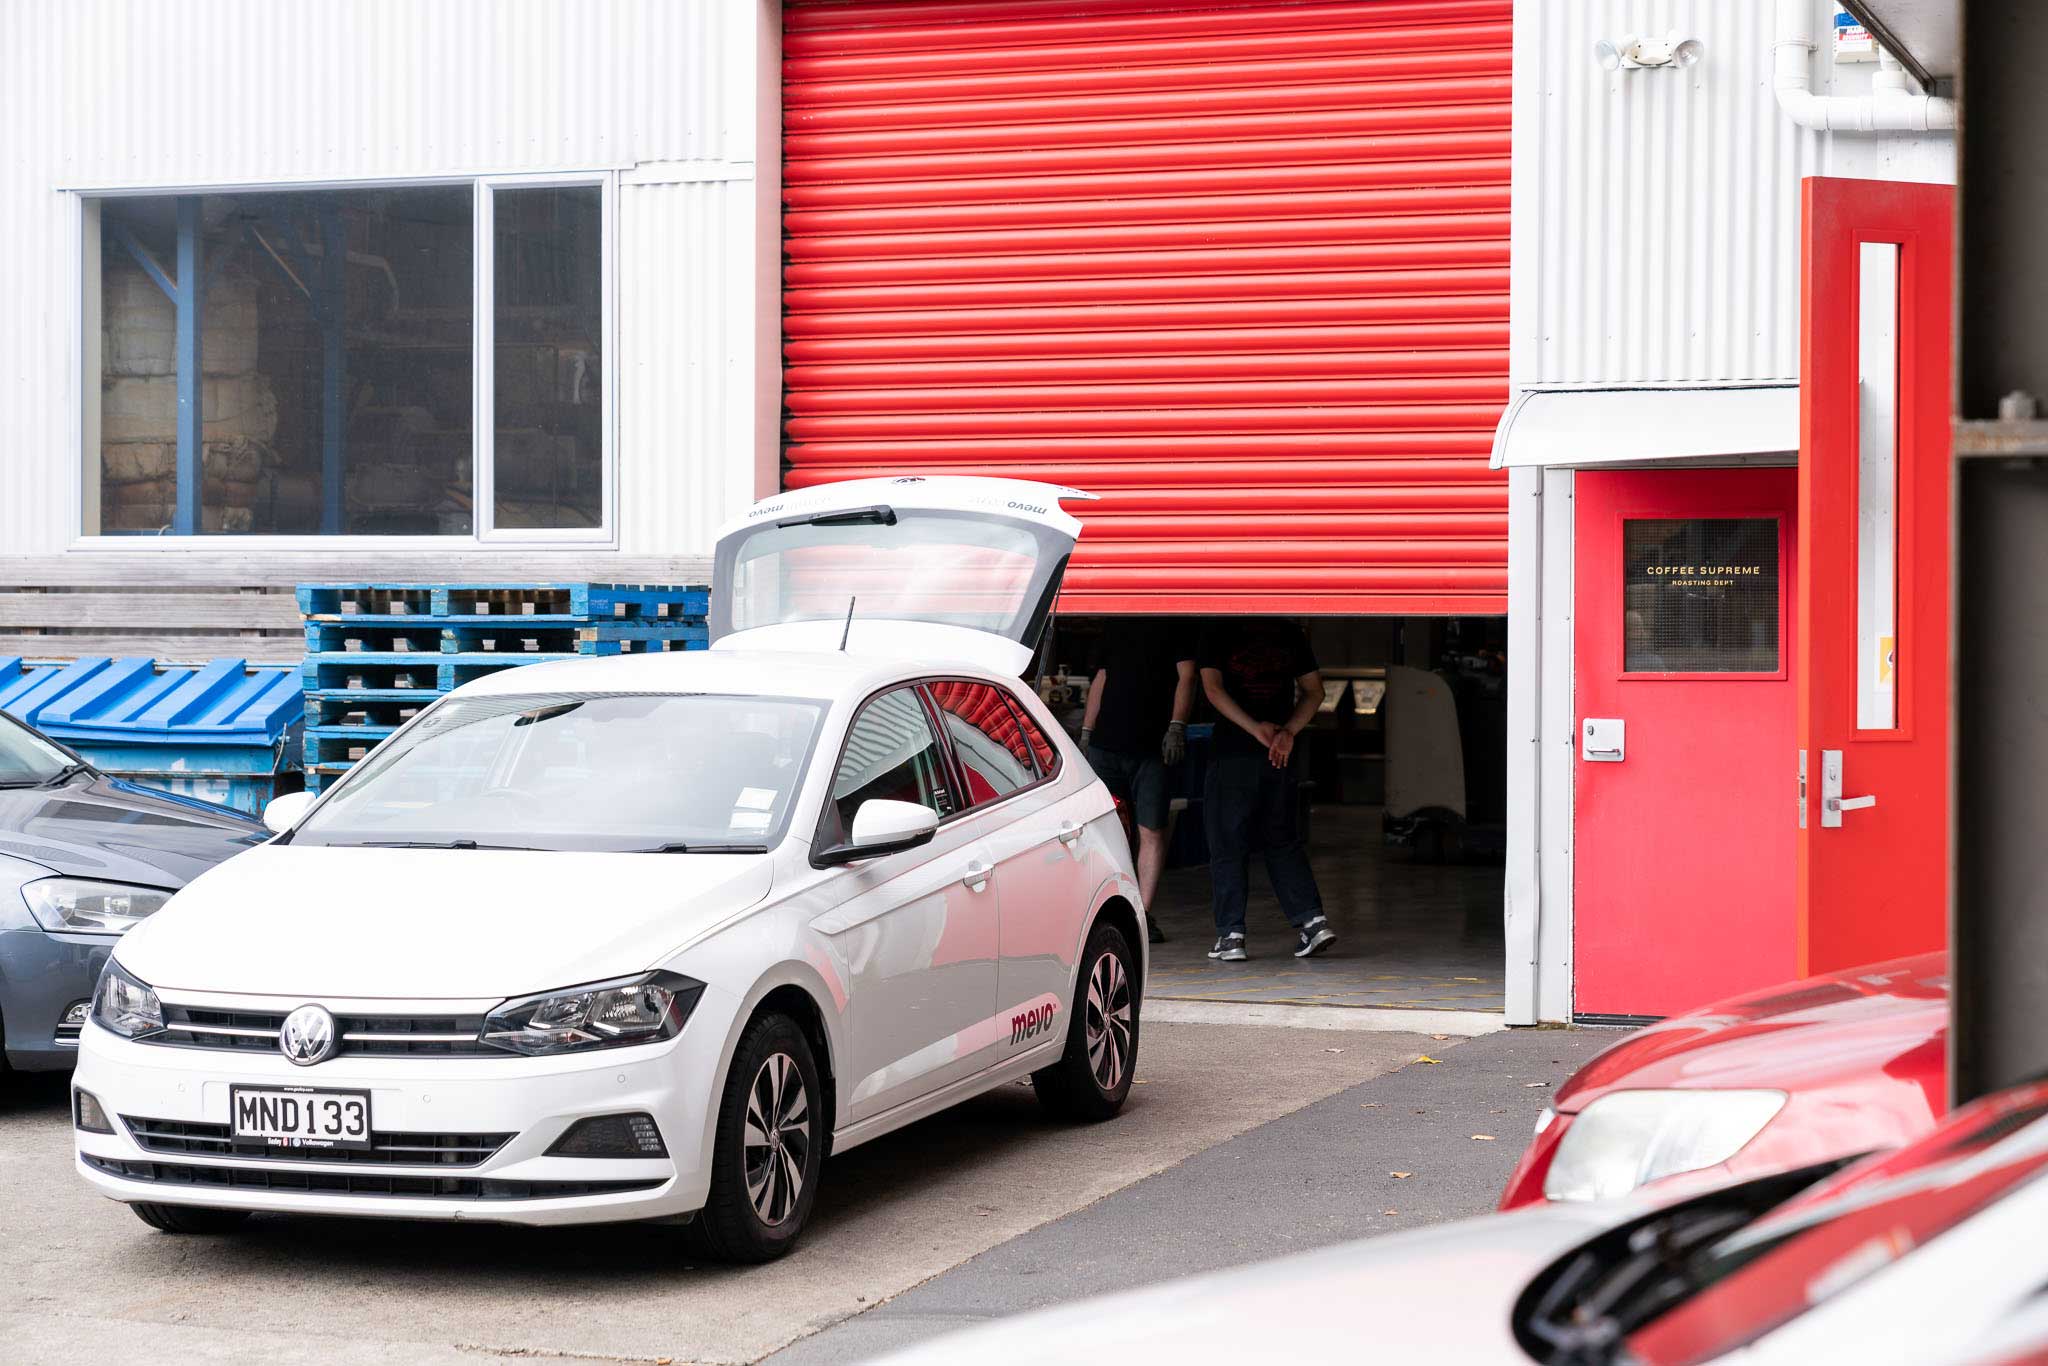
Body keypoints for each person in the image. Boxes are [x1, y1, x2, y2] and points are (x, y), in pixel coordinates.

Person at [1196, 616, 1334, 961]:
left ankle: (1231, 935)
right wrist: (1287, 732)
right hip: (1279, 756)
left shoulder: (1218, 627)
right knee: (1282, 839)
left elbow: (1213, 688)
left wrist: (1253, 728)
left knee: (1228, 842)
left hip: (1232, 753)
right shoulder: (1288, 631)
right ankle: (1313, 922)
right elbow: (1315, 691)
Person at [1080, 618, 1195, 942]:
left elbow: (1187, 677)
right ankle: (1111, 906)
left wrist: (1176, 725)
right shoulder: (1117, 622)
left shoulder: (1176, 625)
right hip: (1106, 746)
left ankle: (1142, 913)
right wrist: (1088, 733)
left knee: (1151, 830)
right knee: (1109, 829)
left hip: (1151, 748)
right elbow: (1102, 678)